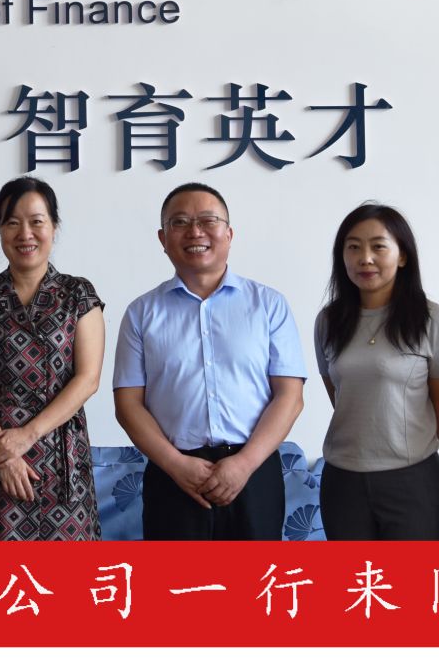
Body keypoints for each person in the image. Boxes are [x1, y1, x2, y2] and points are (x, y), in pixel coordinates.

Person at [113, 182, 305, 540]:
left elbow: (290, 397)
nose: (195, 232)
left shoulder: (269, 305)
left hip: (254, 472)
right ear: (162, 238)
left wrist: (243, 464)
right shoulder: (141, 313)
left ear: (229, 234)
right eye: (180, 222)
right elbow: (128, 404)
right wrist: (175, 464)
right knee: (176, 578)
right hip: (173, 476)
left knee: (255, 577)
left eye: (208, 220)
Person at [0, 177, 104, 540]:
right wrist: (4, 453)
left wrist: (27, 436)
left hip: (62, 463)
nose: (25, 234)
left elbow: (88, 379)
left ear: (54, 226)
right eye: (12, 222)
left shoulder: (78, 294)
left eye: (37, 221)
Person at [311, 203, 439, 540]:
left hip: (410, 478)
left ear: (402, 256)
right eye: (353, 247)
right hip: (343, 479)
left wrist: (408, 448)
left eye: (378, 246)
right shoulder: (328, 321)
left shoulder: (431, 320)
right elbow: (340, 395)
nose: (365, 258)